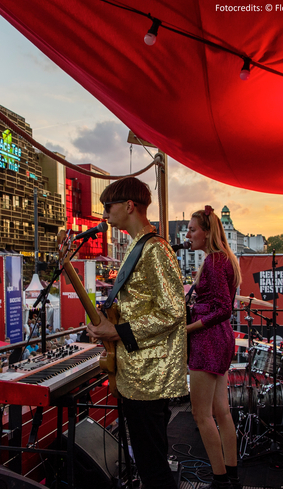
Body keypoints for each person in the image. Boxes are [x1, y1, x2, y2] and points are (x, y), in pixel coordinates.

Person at [86, 177, 187, 489]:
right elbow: (140, 304)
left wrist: (117, 331)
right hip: (137, 370)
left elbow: (173, 311)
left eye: (108, 206)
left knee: (152, 466)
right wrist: (108, 321)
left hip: (148, 375)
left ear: (129, 206)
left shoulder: (155, 250)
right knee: (146, 461)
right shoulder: (137, 247)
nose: (104, 213)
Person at [184, 205, 244, 489]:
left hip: (208, 339)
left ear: (207, 232)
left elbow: (222, 309)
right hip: (220, 338)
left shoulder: (213, 262)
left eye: (192, 229)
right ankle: (231, 476)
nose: (188, 234)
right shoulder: (224, 259)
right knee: (222, 410)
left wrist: (188, 328)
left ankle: (219, 480)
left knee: (201, 414)